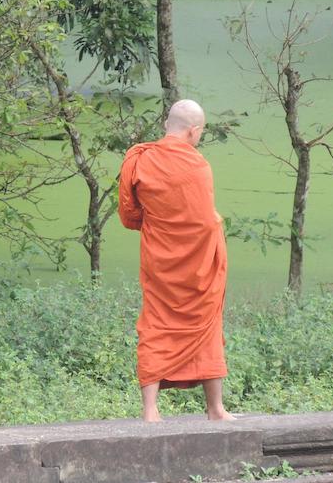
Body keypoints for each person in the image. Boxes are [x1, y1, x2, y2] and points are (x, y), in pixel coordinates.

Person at [118, 99, 234, 422]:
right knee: (207, 325)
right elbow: (203, 220)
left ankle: (150, 410)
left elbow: (128, 216)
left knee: (155, 326)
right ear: (193, 131)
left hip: (160, 263)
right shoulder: (199, 166)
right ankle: (215, 408)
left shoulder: (139, 161)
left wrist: (158, 225)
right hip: (200, 268)